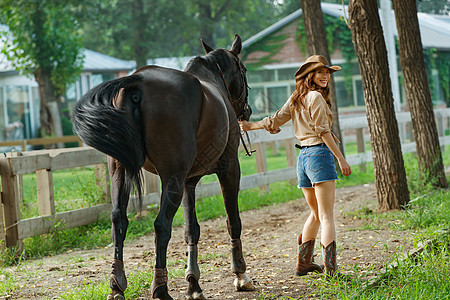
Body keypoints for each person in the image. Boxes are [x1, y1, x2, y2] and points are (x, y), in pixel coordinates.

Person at [238, 55, 351, 278]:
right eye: (320, 72)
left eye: (327, 72)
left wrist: (249, 126)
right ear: (310, 75)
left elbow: (275, 120)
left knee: (316, 214)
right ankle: (331, 272)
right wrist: (340, 158)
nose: (325, 76)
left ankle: (303, 264)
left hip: (304, 159)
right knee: (327, 216)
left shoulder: (296, 98)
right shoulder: (315, 98)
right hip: (319, 153)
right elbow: (323, 131)